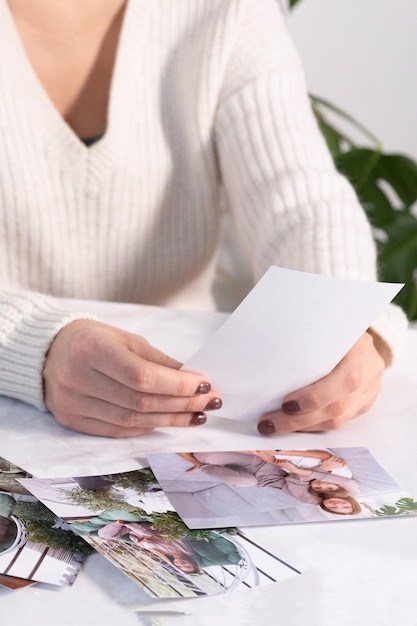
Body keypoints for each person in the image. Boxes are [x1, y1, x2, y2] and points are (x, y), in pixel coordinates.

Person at [0, 0, 407, 438]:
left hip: (187, 415)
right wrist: (32, 347)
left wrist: (340, 324)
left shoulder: (225, 9)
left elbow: (300, 199)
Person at [177, 451, 360, 505]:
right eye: (329, 486)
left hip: (260, 479)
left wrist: (319, 469)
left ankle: (196, 463)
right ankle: (204, 463)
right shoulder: (346, 486)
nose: (322, 485)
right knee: (207, 455)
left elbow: (293, 480)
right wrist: (320, 471)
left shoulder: (311, 500)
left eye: (320, 489)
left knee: (246, 482)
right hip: (263, 462)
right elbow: (349, 485)